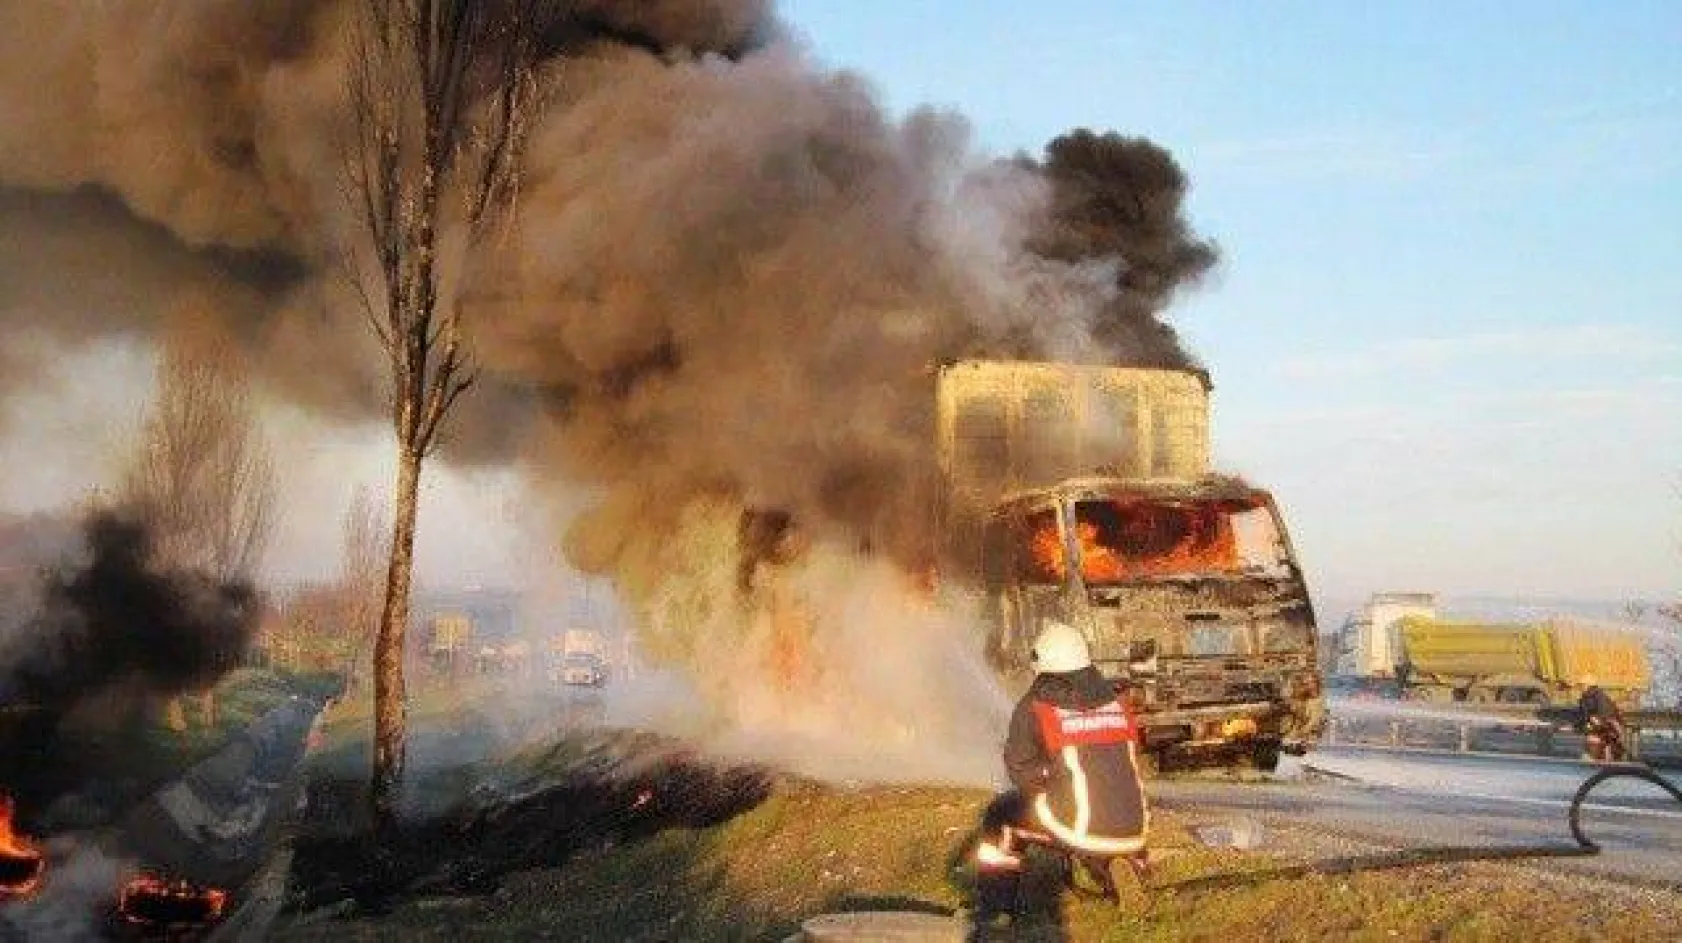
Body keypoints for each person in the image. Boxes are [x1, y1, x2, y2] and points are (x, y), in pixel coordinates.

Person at [976, 619, 1149, 910]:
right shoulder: (1115, 702)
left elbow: (1019, 770)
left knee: (1001, 816)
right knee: (1094, 811)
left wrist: (1050, 777)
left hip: (1080, 825)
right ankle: (1125, 865)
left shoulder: (1036, 704)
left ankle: (996, 910)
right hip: (1135, 825)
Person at [1577, 675, 1627, 762]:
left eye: (1582, 684)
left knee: (1602, 743)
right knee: (1595, 741)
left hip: (1607, 726)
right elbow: (1584, 715)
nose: (1580, 687)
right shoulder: (1585, 697)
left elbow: (1605, 712)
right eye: (1580, 685)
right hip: (1600, 726)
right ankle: (1601, 759)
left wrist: (1597, 720)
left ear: (1588, 685)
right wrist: (1583, 724)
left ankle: (1606, 760)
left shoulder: (1598, 695)